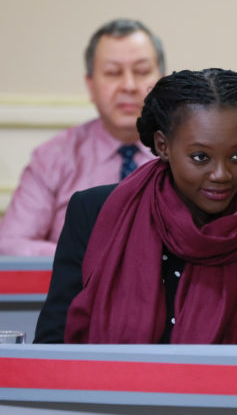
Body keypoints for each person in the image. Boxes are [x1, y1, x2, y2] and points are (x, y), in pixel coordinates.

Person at [34, 68, 237, 344]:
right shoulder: (94, 212)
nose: (222, 173)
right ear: (163, 146)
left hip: (227, 388)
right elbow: (52, 341)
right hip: (101, 386)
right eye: (200, 157)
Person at [0, 18, 165, 256]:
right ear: (90, 85)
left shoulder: (187, 153)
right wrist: (84, 259)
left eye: (141, 72)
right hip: (78, 289)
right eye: (112, 72)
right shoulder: (53, 157)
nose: (128, 86)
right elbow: (9, 245)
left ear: (161, 81)